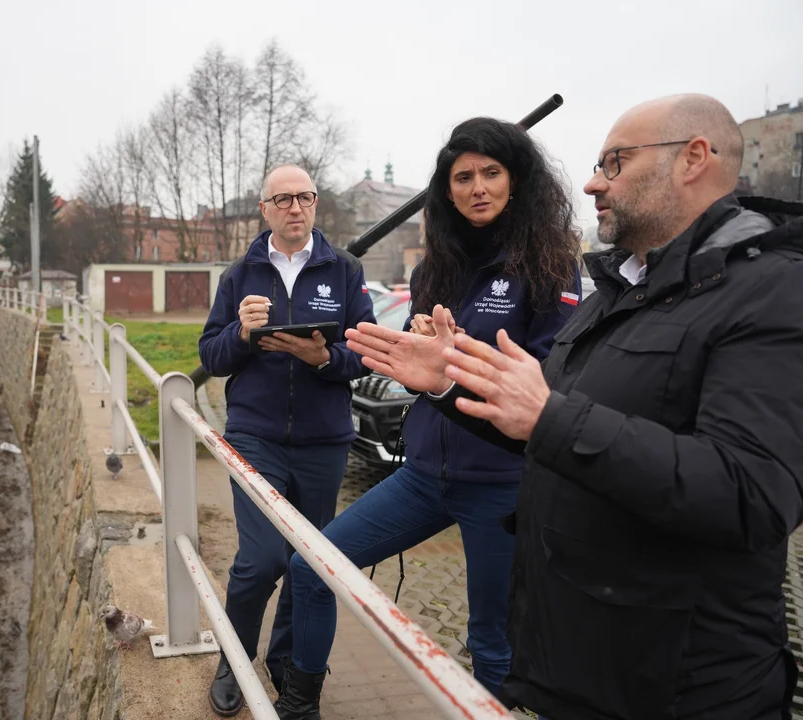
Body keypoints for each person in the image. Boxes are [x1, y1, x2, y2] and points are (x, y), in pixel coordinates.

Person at [345, 94, 803, 720]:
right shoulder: (617, 293)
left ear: (693, 159)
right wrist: (446, 385)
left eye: (614, 163)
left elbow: (752, 494)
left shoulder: (772, 290)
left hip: (684, 683)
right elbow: (536, 426)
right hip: (591, 658)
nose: (592, 182)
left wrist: (548, 415)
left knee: (490, 647)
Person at [276, 117, 582, 719]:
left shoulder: (551, 265)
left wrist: (458, 361)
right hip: (422, 475)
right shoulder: (431, 268)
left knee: (492, 643)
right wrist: (422, 354)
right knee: (311, 565)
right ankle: (298, 704)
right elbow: (425, 367)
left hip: (502, 485)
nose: (477, 187)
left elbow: (553, 380)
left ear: (517, 182)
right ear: (446, 190)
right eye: (462, 176)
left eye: (491, 173)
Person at [198, 164, 376, 717]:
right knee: (260, 558)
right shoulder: (240, 274)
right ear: (265, 208)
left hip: (324, 442)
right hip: (255, 436)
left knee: (308, 562)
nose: (295, 207)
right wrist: (242, 334)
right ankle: (234, 657)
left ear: (316, 204)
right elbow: (211, 355)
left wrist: (323, 358)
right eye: (283, 199)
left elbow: (363, 352)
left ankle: (287, 664)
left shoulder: (344, 270)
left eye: (305, 198)